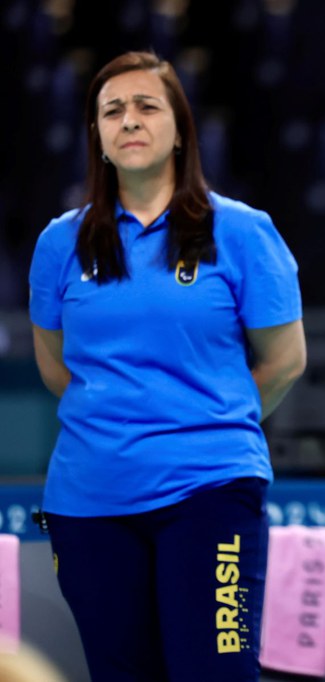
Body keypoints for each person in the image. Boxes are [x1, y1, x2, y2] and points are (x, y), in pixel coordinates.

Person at [27, 50, 306, 681]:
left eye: (147, 106)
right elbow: (54, 366)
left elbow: (285, 362)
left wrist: (205, 422)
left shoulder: (243, 232)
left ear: (180, 128)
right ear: (96, 136)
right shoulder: (58, 244)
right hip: (89, 501)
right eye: (112, 111)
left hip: (209, 491)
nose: (129, 120)